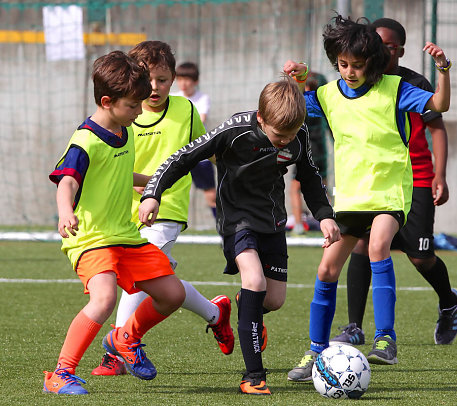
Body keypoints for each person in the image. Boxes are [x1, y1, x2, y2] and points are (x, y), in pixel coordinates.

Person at [138, 76, 340, 395]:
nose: (284, 142)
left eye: (289, 136)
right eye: (278, 136)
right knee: (255, 281)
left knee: (273, 299)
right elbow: (182, 158)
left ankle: (245, 307)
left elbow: (311, 178)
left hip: (272, 222)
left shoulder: (297, 134)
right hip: (236, 219)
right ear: (261, 119)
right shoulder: (234, 131)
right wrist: (153, 193)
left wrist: (325, 215)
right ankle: (253, 376)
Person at [283, 14, 451, 381]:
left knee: (378, 247)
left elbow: (439, 105)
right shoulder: (327, 95)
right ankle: (315, 350)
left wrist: (443, 68)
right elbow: (292, 106)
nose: (349, 72)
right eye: (342, 65)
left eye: (356, 65)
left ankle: (385, 339)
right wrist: (295, 78)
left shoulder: (396, 89)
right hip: (350, 199)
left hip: (390, 193)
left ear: (372, 62)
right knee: (326, 269)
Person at [43, 50, 186, 395]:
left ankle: (124, 337)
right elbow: (68, 182)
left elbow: (115, 172)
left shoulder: (125, 129)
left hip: (125, 235)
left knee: (173, 294)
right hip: (91, 238)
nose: (139, 111)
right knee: (104, 299)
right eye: (133, 105)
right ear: (107, 101)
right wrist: (65, 210)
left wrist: (145, 180)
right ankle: (60, 374)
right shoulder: (85, 140)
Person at [91, 42, 234, 377]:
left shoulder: (185, 111)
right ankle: (215, 314)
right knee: (159, 281)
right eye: (148, 79)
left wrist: (237, 167)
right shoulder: (125, 111)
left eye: (163, 80)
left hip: (165, 210)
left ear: (173, 80)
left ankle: (119, 348)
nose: (154, 87)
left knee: (137, 279)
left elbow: (207, 150)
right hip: (121, 212)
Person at [330, 17, 457, 347]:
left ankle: (448, 300)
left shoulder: (409, 84)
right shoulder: (354, 82)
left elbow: (437, 125)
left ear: (399, 50)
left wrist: (439, 176)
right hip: (374, 181)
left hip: (414, 178)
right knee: (362, 244)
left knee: (420, 256)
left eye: (389, 45)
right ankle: (355, 326)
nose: (381, 50)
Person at [172, 62, 217, 219]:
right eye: (180, 79)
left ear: (196, 81)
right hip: (176, 152)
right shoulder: (173, 99)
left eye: (188, 79)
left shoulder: (202, 98)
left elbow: (199, 120)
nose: (183, 83)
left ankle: (224, 233)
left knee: (211, 195)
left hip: (199, 153)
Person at [289, 71, 330, 235]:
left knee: (294, 188)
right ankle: (327, 221)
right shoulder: (323, 105)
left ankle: (298, 224)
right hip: (321, 150)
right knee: (323, 186)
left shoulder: (304, 104)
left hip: (306, 149)